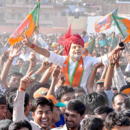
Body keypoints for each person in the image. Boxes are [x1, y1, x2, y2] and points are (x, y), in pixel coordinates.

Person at [22, 28, 124, 94]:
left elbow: (104, 58)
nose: (77, 49)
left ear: (83, 49)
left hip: (83, 97)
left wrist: (116, 49)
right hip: (63, 96)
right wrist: (31, 45)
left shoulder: (88, 60)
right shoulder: (62, 59)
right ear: (69, 49)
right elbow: (46, 52)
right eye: (74, 47)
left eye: (80, 47)